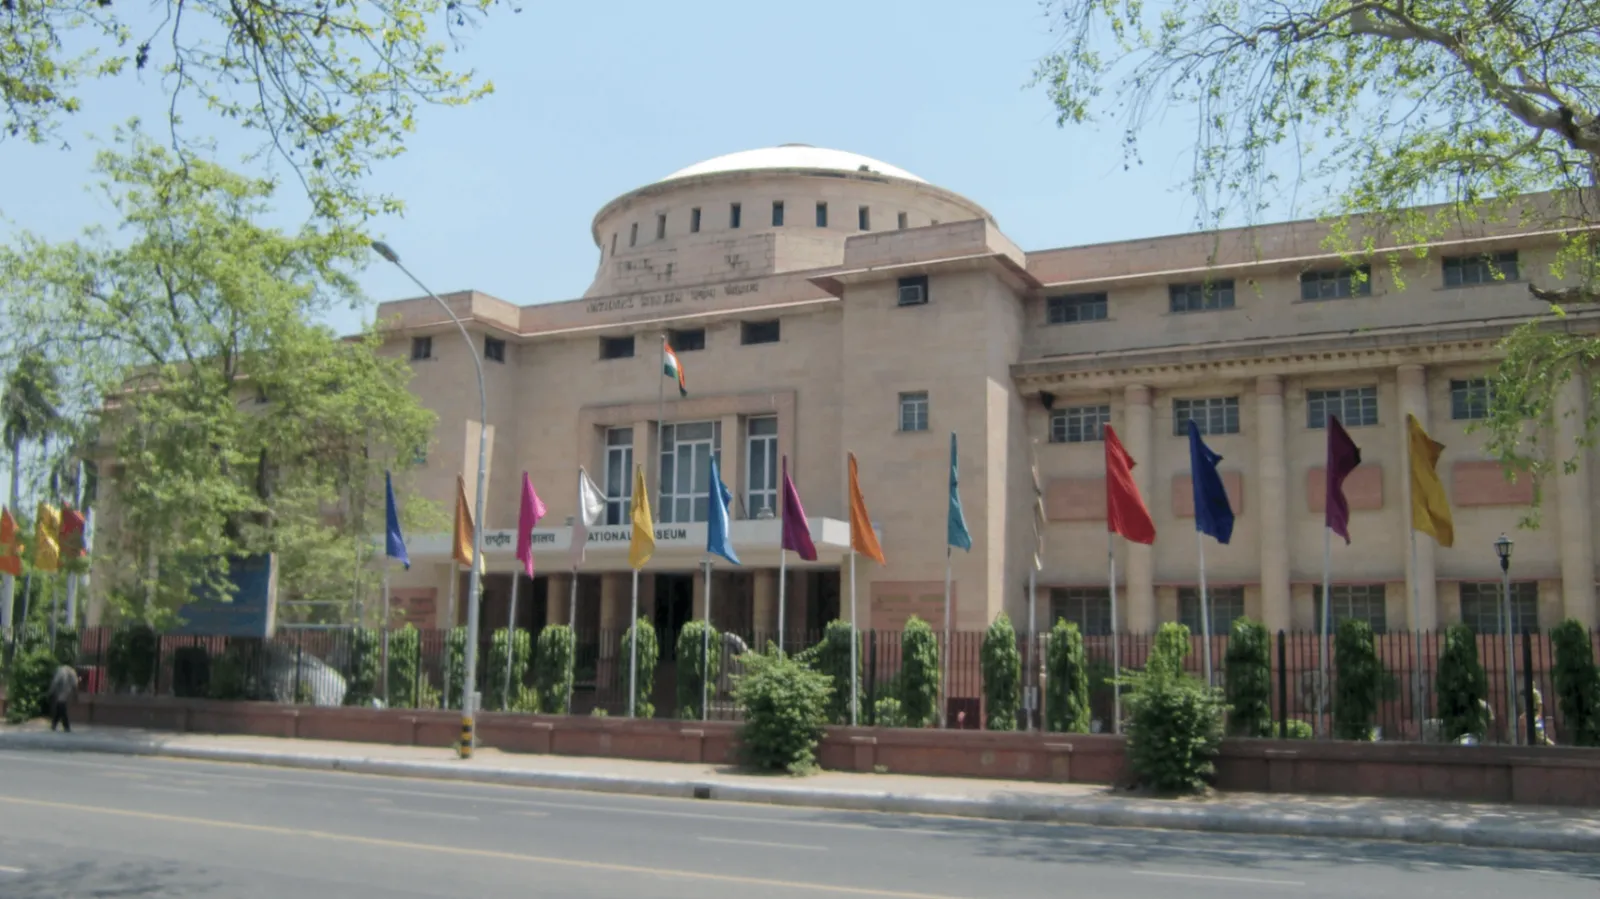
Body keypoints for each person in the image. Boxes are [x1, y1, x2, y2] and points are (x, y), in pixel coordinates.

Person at [48, 663, 80, 733]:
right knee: (61, 706)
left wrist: (51, 692)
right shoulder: (72, 672)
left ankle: (59, 725)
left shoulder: (60, 670)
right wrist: (76, 696)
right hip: (66, 688)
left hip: (61, 687)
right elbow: (75, 685)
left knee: (60, 706)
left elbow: (55, 682)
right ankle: (61, 725)